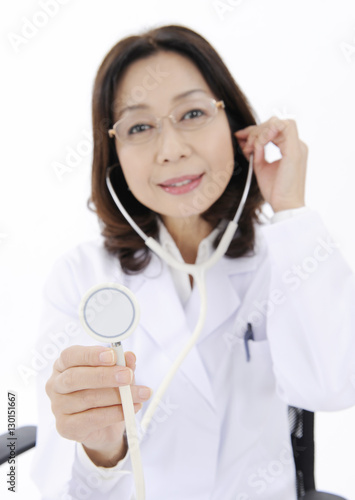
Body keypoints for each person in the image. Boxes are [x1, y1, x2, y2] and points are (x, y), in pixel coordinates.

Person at [31, 24, 355, 500]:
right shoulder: (81, 276)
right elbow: (59, 482)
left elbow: (334, 386)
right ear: (113, 154)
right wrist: (101, 448)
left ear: (236, 126)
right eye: (139, 126)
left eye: (194, 113)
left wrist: (290, 206)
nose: (173, 149)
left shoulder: (284, 255)